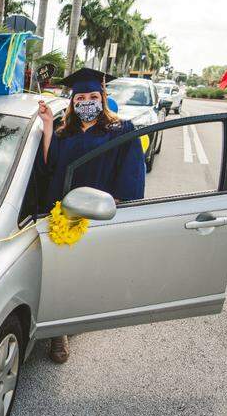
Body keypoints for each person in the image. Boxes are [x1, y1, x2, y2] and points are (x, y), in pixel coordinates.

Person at [34, 67, 146, 365]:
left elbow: (131, 173)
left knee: (85, 274)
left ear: (102, 97)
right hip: (64, 213)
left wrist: (117, 209)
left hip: (98, 214)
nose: (86, 102)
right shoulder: (63, 132)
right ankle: (60, 330)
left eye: (93, 96)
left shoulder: (121, 131)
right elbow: (49, 165)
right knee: (62, 273)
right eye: (80, 97)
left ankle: (72, 320)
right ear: (72, 102)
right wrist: (47, 125)